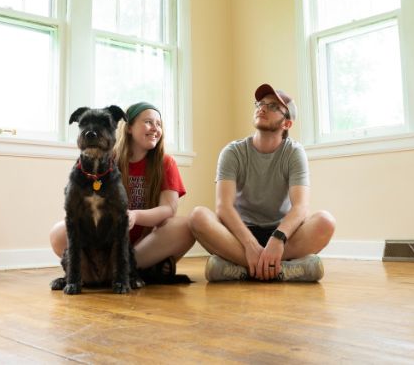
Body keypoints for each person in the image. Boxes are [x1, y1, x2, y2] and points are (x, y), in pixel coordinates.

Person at [189, 83, 336, 282]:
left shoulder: (294, 152)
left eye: (274, 106)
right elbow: (224, 207)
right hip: (240, 234)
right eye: (260, 103)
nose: (263, 108)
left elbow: (300, 206)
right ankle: (284, 269)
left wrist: (278, 239)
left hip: (282, 233)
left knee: (325, 222)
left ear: (287, 124)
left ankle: (240, 269)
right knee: (198, 217)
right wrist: (249, 244)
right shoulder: (233, 152)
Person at [50, 102, 194, 283]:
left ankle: (124, 269)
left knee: (187, 227)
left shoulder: (166, 162)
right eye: (148, 122)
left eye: (159, 124)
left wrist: (135, 215)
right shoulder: (105, 156)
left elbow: (168, 209)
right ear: (129, 128)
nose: (155, 128)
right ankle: (129, 271)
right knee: (58, 232)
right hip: (105, 242)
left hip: (145, 243)